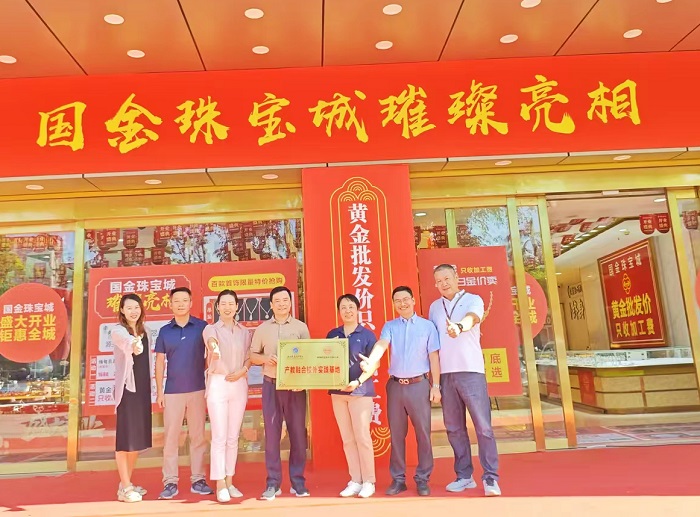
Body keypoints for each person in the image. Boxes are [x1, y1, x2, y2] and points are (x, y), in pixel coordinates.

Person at [359, 286, 441, 497]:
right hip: (395, 386)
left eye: (406, 299)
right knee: (396, 435)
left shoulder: (427, 326)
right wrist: (371, 360)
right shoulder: (390, 326)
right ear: (394, 304)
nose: (402, 303)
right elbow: (382, 344)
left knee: (423, 434)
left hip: (419, 385)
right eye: (398, 300)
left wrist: (436, 386)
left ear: (413, 300)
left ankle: (423, 479)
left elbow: (434, 357)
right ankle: (398, 479)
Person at [429, 264, 501, 497]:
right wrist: (435, 382)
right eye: (439, 281)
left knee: (483, 427)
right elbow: (433, 344)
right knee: (454, 428)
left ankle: (490, 477)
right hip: (446, 374)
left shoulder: (473, 299)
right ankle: (464, 476)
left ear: (456, 278)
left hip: (471, 372)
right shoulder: (434, 308)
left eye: (447, 278)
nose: (444, 283)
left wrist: (459, 327)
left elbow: (473, 318)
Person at [250, 286, 310, 500]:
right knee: (272, 435)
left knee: (298, 435)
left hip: (295, 388)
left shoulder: (301, 328)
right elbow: (252, 355)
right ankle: (273, 483)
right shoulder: (262, 329)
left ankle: (298, 481)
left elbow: (309, 357)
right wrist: (265, 359)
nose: (282, 304)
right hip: (271, 385)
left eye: (285, 300)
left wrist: (303, 382)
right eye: (278, 301)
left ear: (290, 302)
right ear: (271, 304)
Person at [155, 287, 213, 499]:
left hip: (198, 389)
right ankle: (170, 481)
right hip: (172, 392)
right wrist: (159, 391)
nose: (180, 304)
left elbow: (211, 353)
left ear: (191, 303)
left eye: (184, 300)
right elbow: (159, 362)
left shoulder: (201, 327)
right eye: (176, 301)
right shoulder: (165, 331)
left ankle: (198, 479)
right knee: (171, 438)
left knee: (198, 436)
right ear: (170, 304)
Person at [326, 294, 377, 499]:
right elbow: (323, 360)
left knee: (362, 437)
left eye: (351, 307)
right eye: (343, 307)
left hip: (360, 392)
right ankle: (355, 480)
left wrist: (359, 379)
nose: (347, 311)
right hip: (338, 393)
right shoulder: (333, 334)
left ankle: (369, 481)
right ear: (339, 311)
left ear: (357, 310)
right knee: (347, 439)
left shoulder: (367, 335)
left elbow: (374, 364)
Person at [203, 289, 252, 503]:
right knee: (219, 436)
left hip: (238, 382)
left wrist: (243, 370)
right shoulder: (211, 328)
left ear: (237, 307)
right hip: (218, 382)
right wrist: (215, 350)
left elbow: (250, 356)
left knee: (233, 437)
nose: (227, 307)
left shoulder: (244, 332)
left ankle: (230, 481)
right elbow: (211, 342)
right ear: (217, 307)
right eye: (223, 304)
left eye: (231, 304)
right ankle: (220, 483)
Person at [112, 293, 152, 503]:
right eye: (129, 308)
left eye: (136, 307)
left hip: (143, 391)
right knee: (124, 441)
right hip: (128, 392)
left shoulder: (146, 331)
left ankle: (125, 484)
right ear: (122, 310)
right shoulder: (118, 331)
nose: (133, 311)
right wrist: (135, 345)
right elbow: (128, 344)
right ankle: (126, 487)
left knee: (136, 441)